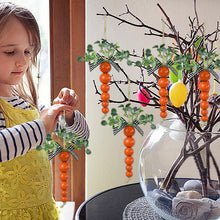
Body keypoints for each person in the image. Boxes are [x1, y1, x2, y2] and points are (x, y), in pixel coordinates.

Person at [0, 2, 89, 219]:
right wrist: (41, 125)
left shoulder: (29, 104)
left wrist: (67, 115)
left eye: (28, 51)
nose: (22, 60)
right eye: (11, 52)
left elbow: (81, 140)